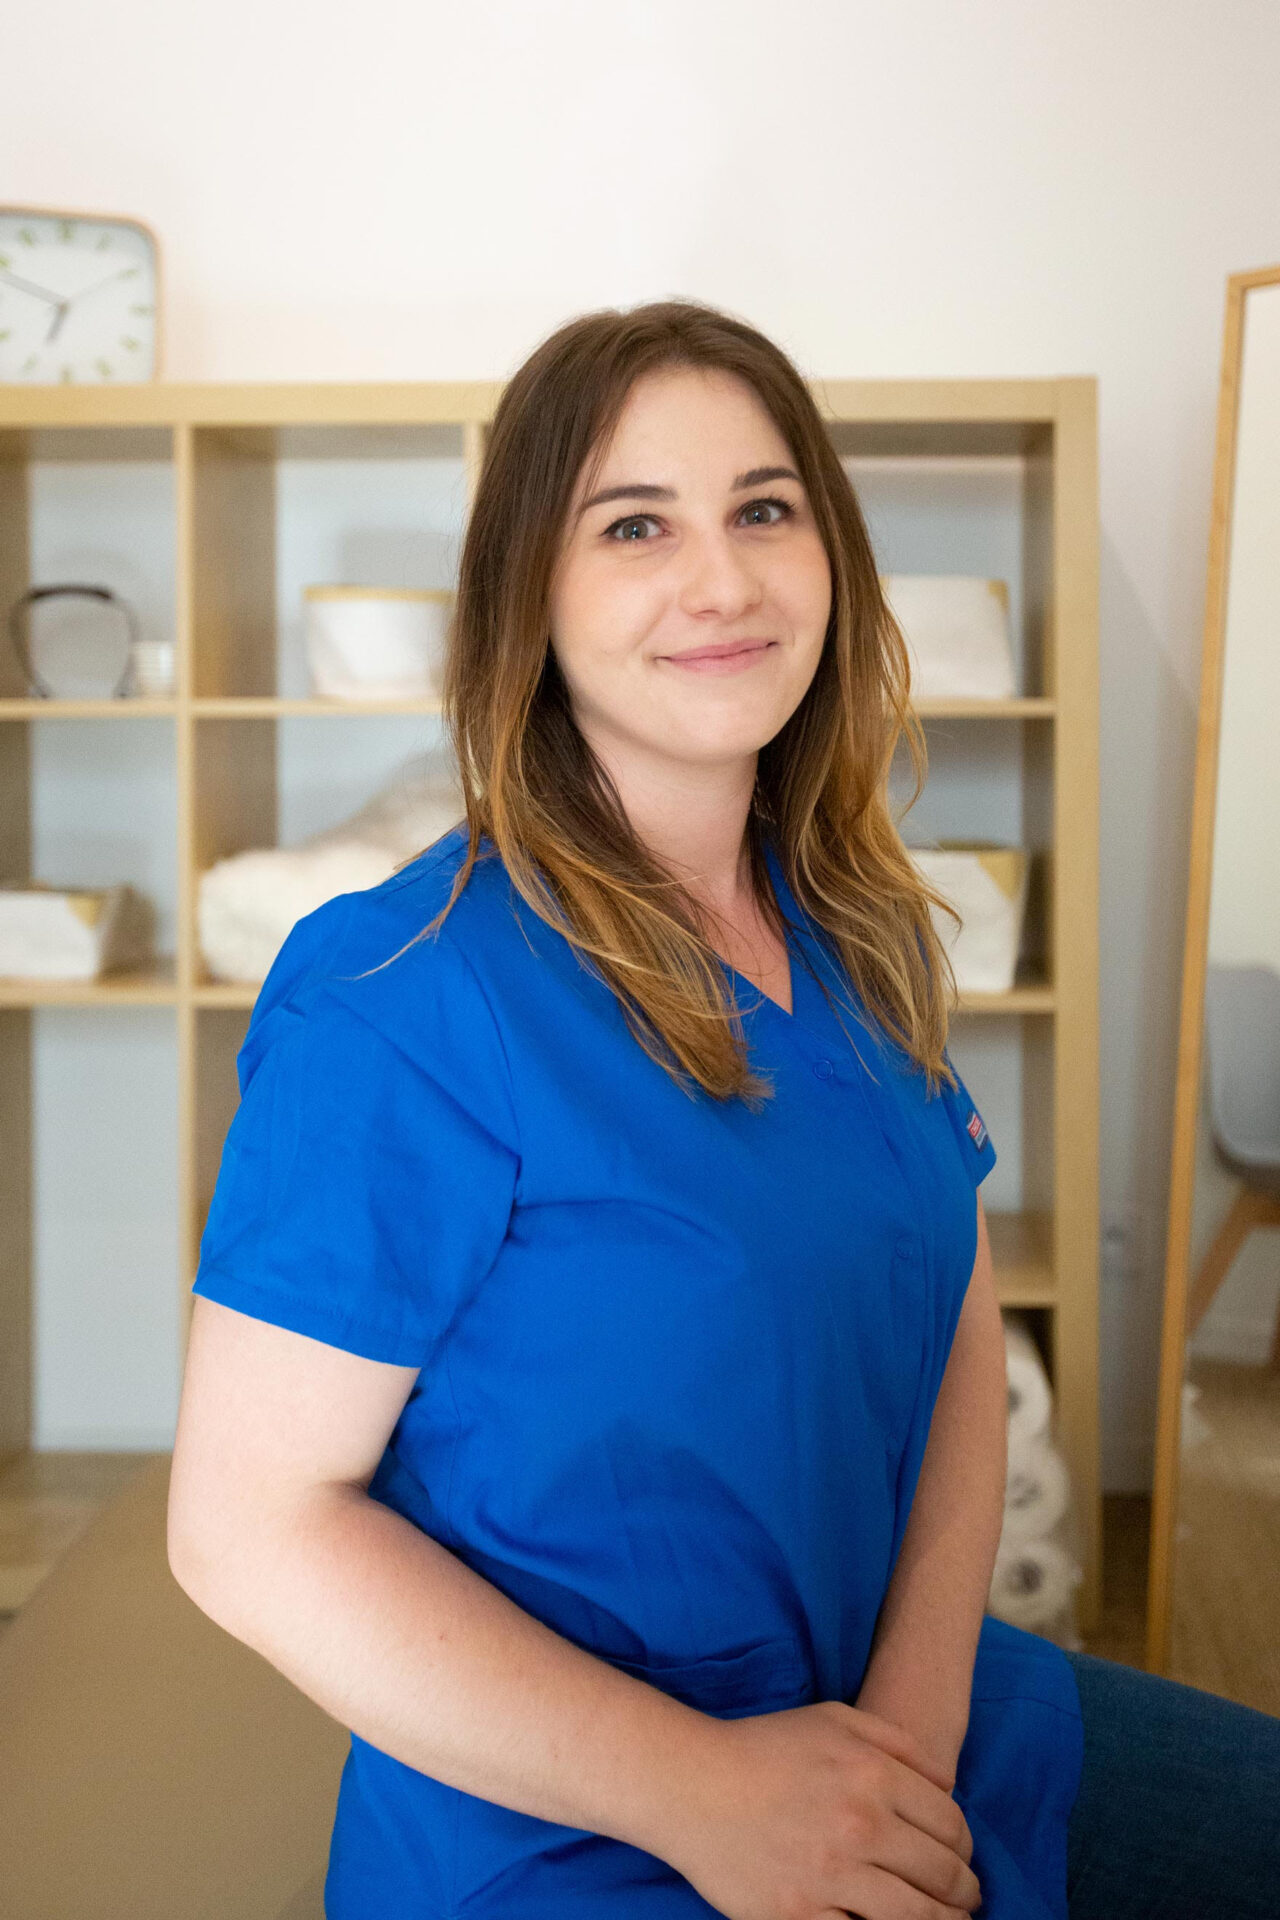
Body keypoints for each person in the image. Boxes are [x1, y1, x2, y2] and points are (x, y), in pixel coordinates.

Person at [168, 299, 1280, 1920]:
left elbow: (961, 1330)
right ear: (527, 593)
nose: (724, 580)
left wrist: (908, 1738)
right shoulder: (400, 993)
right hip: (577, 1832)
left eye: (765, 509)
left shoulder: (861, 930)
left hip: (928, 1739)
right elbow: (247, 1529)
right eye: (635, 525)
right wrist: (714, 1794)